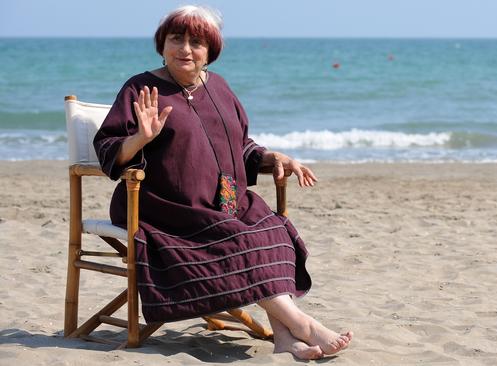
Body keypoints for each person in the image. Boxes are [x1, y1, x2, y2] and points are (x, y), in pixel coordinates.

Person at [93, 5, 351, 359]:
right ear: (162, 44)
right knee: (239, 238)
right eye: (176, 39)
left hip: (225, 199)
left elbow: (240, 146)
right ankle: (303, 325)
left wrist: (275, 158)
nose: (185, 48)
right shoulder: (140, 88)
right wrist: (141, 137)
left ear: (210, 51)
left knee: (273, 229)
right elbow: (107, 148)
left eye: (196, 42)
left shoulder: (220, 88)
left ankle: (285, 338)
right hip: (164, 207)